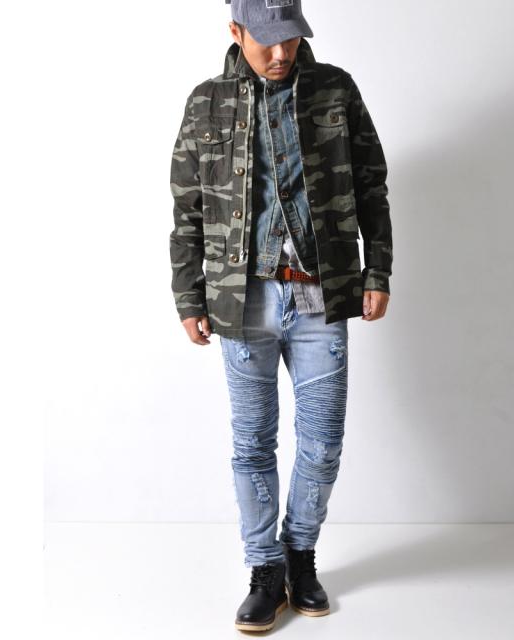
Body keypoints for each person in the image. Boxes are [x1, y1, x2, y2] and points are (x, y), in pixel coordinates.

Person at [169, 0, 392, 632]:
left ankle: (299, 554)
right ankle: (264, 569)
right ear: (235, 32)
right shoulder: (206, 101)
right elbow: (187, 208)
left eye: (289, 38)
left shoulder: (335, 90)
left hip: (321, 295)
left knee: (323, 443)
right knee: (252, 443)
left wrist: (378, 271)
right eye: (266, 40)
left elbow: (372, 185)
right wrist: (189, 296)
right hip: (242, 299)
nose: (279, 53)